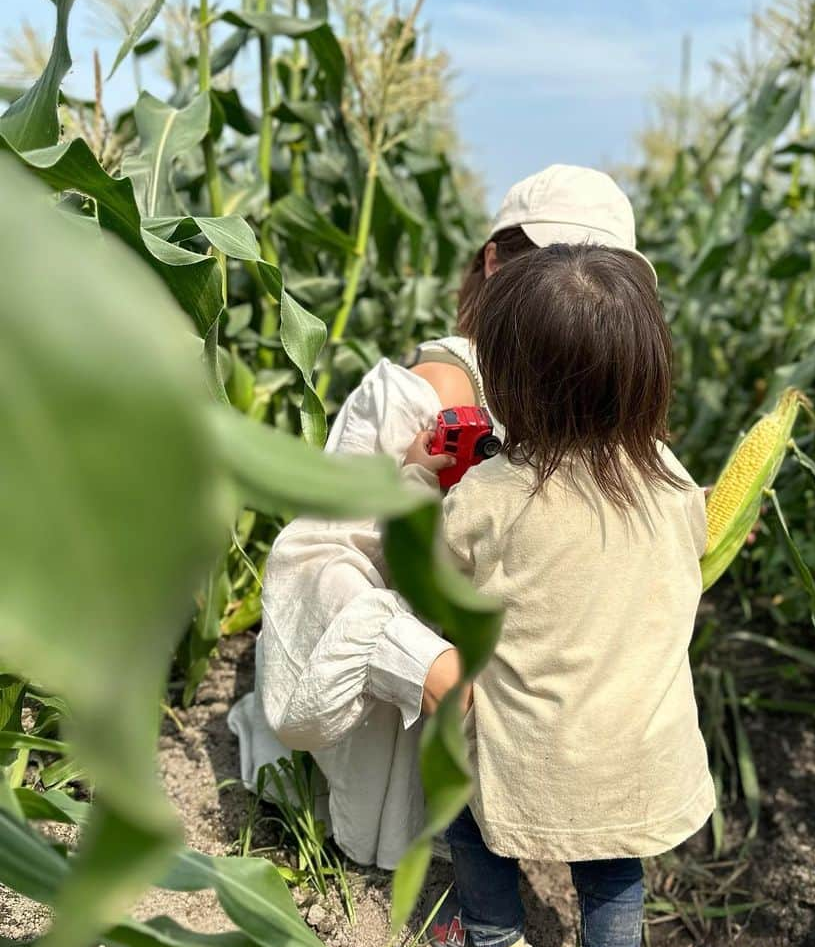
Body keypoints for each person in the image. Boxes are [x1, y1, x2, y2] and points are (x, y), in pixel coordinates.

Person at [227, 165, 659, 869]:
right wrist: (422, 664)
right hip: (396, 732)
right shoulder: (423, 398)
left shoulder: (586, 411)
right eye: (557, 267)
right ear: (495, 262)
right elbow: (315, 565)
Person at [403, 243, 715, 947]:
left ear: (510, 385)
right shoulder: (674, 481)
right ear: (646, 378)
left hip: (527, 751)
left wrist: (418, 483)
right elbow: (694, 547)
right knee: (615, 871)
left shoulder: (491, 499)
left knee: (468, 808)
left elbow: (431, 582)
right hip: (637, 751)